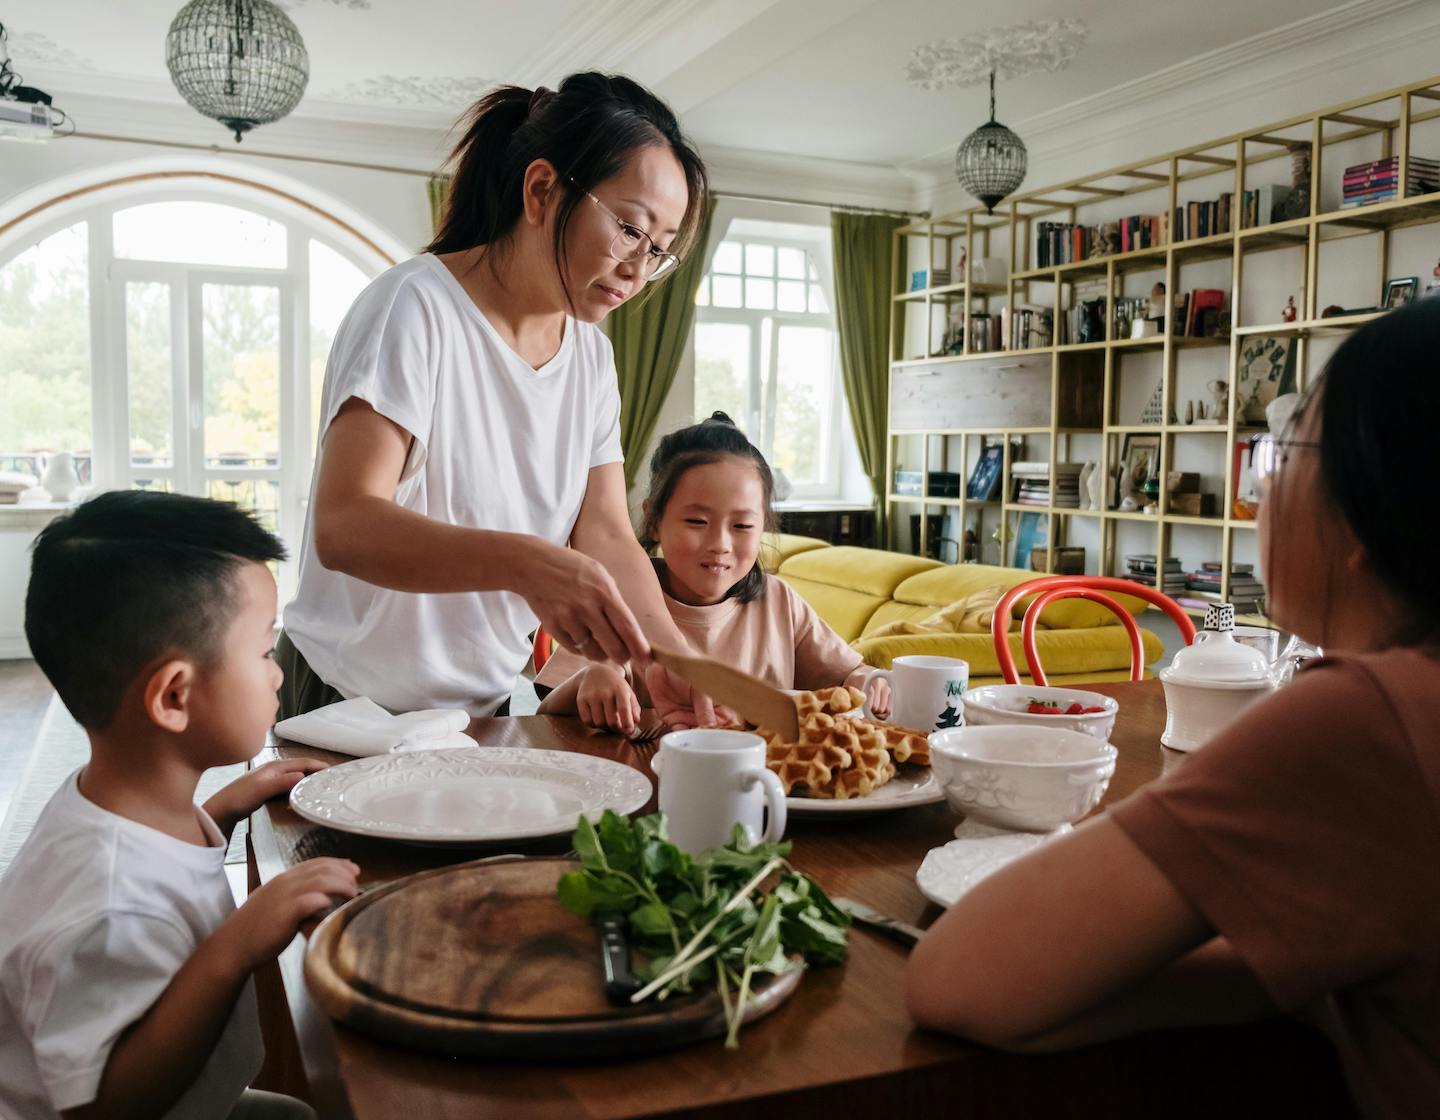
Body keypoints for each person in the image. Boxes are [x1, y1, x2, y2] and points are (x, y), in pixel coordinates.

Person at [905, 299, 1440, 1118]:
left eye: (1282, 449)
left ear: (1368, 505)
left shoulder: (1370, 723)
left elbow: (958, 980)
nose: (1262, 486)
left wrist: (1274, 978)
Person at [277, 72, 715, 725]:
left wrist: (674, 658)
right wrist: (531, 564)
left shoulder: (591, 357)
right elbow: (346, 524)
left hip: (476, 707)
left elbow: (604, 532)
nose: (639, 269)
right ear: (541, 191)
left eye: (659, 251)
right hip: (348, 699)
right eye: (630, 228)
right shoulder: (415, 309)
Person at [1, 491, 359, 1120]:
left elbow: (161, 868)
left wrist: (223, 809)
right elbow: (101, 1107)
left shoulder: (121, 800)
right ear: (173, 697)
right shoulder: (108, 905)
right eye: (262, 651)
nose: (277, 673)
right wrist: (238, 944)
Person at [537, 413, 891, 733]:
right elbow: (546, 711)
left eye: (741, 525)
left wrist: (869, 680)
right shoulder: (617, 600)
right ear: (653, 521)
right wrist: (595, 677)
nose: (720, 543)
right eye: (697, 522)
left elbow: (848, 676)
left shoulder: (780, 603)